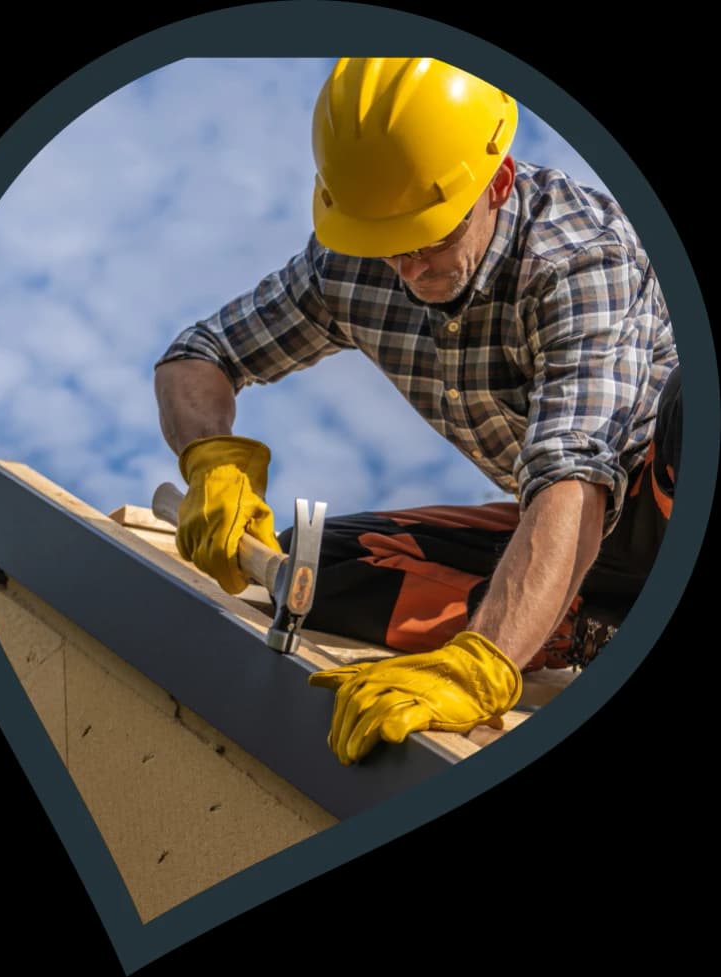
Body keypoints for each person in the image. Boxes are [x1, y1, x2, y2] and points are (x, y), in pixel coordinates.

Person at [153, 57, 681, 766]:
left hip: (654, 500)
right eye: (382, 238)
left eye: (428, 234)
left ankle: (523, 627)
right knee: (321, 568)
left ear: (496, 182)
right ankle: (579, 627)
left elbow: (572, 479)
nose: (405, 264)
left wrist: (482, 662)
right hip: (564, 538)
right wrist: (210, 460)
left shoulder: (574, 260)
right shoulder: (352, 262)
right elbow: (199, 354)